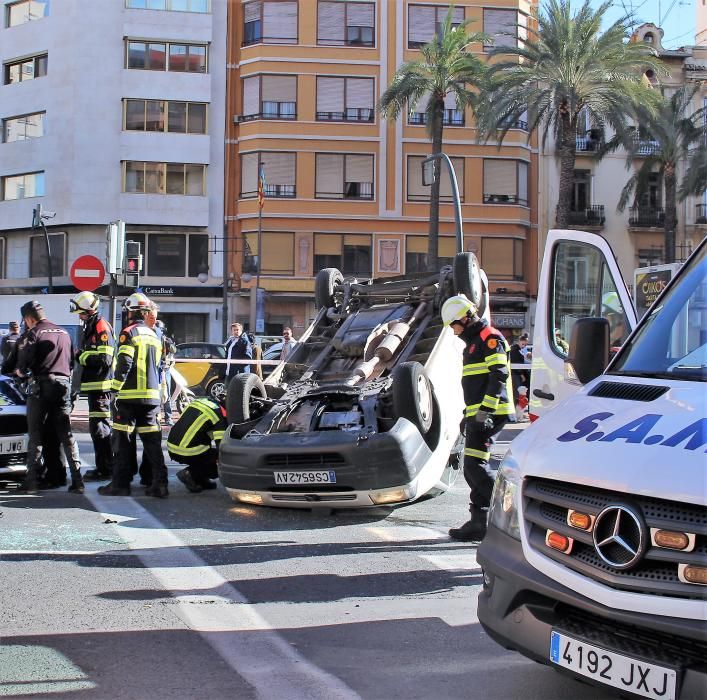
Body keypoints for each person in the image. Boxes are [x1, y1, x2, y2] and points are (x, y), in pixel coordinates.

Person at [442, 294, 514, 542]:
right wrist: (468, 414)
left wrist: (483, 414)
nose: (453, 331)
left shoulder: (489, 338)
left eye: (454, 325)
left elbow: (499, 377)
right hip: (480, 413)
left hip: (492, 413)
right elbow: (476, 384)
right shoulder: (473, 342)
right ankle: (478, 522)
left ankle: (510, 516)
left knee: (475, 467)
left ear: (464, 317)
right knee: (473, 468)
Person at [9, 301, 84, 494]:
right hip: (63, 387)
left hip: (41, 388)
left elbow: (22, 364)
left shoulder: (33, 333)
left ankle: (32, 482)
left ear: (28, 318)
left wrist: (19, 372)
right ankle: (77, 481)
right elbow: (73, 361)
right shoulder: (65, 333)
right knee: (66, 435)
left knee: (36, 435)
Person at [99, 293, 168, 498]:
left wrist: (115, 389)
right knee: (152, 443)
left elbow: (125, 363)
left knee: (122, 440)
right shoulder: (154, 335)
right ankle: (160, 484)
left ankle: (120, 484)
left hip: (129, 398)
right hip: (151, 398)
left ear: (130, 312)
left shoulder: (128, 333)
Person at [70, 291, 115, 481]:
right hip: (95, 387)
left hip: (101, 388)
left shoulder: (100, 326)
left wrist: (82, 355)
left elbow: (105, 358)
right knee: (98, 429)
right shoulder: (91, 325)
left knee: (100, 429)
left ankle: (105, 469)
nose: (79, 316)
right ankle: (104, 467)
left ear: (89, 310)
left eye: (81, 312)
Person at [167, 397, 227, 493]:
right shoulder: (220, 418)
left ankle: (201, 480)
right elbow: (222, 447)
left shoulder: (203, 401)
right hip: (187, 450)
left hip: (172, 446)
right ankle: (190, 473)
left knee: (206, 448)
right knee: (222, 459)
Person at [509, 332, 530, 401]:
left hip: (517, 373)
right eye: (523, 344)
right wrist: (521, 375)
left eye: (525, 344)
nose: (524, 346)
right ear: (519, 341)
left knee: (518, 391)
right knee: (518, 391)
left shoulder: (518, 349)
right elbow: (516, 362)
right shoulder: (515, 350)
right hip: (516, 374)